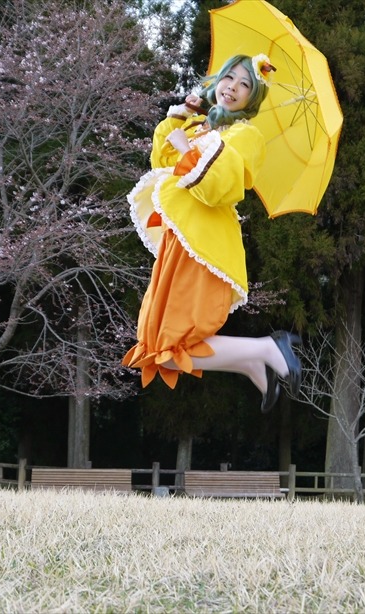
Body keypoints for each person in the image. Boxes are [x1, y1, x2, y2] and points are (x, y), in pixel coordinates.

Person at [122, 53, 301, 413]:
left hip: (204, 245)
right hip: (181, 240)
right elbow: (164, 168)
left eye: (245, 84)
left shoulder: (246, 136)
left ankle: (266, 348)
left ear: (253, 99)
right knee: (157, 346)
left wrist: (189, 149)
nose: (232, 88)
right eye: (229, 78)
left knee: (168, 350)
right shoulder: (204, 128)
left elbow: (221, 186)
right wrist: (181, 120)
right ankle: (251, 360)